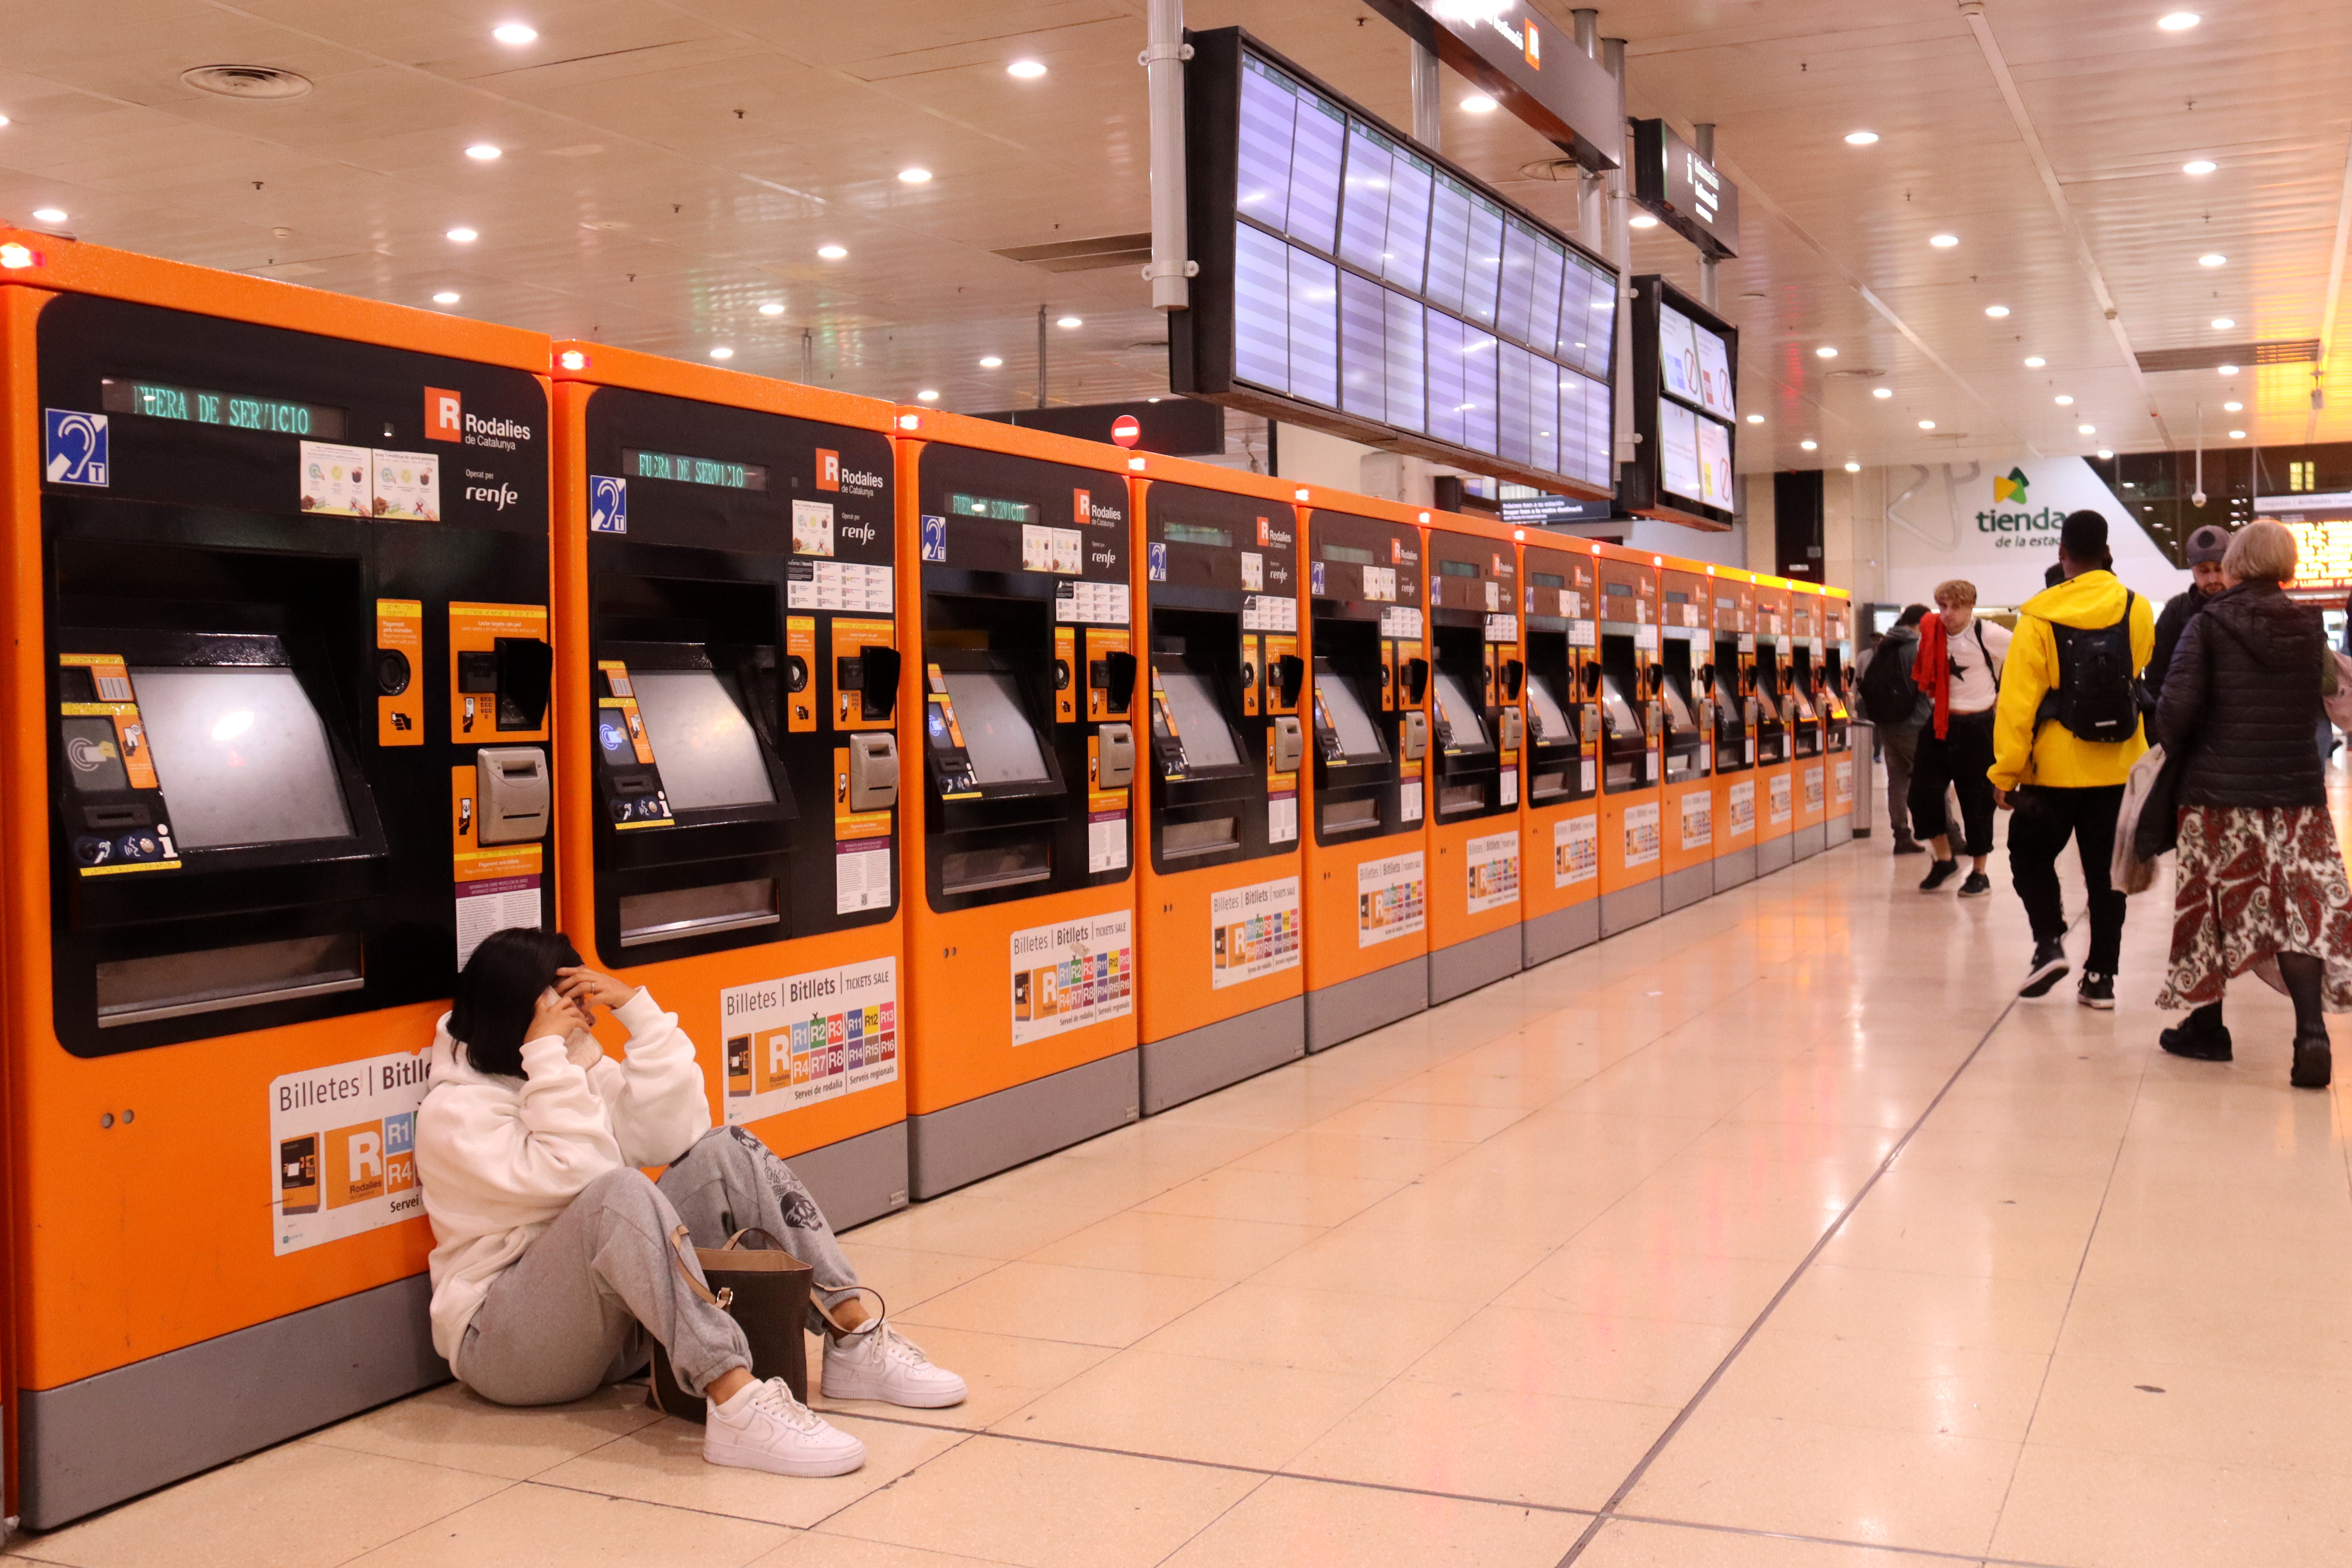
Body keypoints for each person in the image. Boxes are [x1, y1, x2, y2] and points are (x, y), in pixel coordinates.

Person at [415, 929, 967, 1479]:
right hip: (508, 1346)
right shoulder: (455, 1113)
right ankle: (733, 1399)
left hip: (613, 1329)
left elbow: (675, 1132)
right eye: (566, 1008)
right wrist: (547, 1055)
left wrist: (643, 1017)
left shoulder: (563, 1067)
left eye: (581, 1003)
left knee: (724, 1149)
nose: (585, 1018)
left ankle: (853, 1334)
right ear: (521, 1019)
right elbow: (585, 1175)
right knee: (620, 1193)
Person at [2154, 519, 2350, 1088]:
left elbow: (2173, 712)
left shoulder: (2206, 624)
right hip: (2296, 796)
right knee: (2299, 912)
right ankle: (2309, 1029)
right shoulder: (2308, 625)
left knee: (2210, 912)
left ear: (2236, 562)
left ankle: (2206, 1027)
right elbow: (2325, 700)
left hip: (2217, 799)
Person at [1990, 511, 2156, 1007]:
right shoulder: (2136, 607)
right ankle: (2101, 978)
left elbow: (2017, 704)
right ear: (2106, 552)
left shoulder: (2038, 616)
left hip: (2052, 770)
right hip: (2119, 766)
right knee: (2108, 876)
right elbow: (2138, 669)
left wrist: (2004, 772)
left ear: (2062, 553)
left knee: (2029, 855)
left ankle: (2048, 943)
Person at [1908, 581, 2010, 896]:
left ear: (1970, 606)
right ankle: (1944, 858)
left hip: (1977, 726)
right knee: (1921, 795)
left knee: (1977, 802)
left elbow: (2028, 658)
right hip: (1939, 722)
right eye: (1942, 606)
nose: (1946, 614)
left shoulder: (1989, 634)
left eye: (1954, 606)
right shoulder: (1932, 631)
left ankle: (1979, 872)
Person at [1855, 605, 1932, 854]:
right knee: (1932, 778)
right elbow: (1927, 685)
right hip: (1915, 725)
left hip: (1887, 724)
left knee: (1897, 781)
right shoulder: (1916, 647)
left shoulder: (1884, 647)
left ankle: (1901, 835)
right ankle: (1950, 835)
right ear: (1920, 624)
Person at [2145, 524, 2230, 708]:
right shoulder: (2176, 611)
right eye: (2204, 571)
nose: (2213, 579)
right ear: (2192, 570)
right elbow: (2156, 676)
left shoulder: (2244, 609)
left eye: (2219, 569)